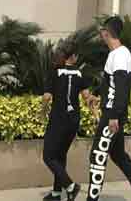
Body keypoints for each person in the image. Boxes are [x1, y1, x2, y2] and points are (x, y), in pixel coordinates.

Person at [86, 16, 131, 201]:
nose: (100, 35)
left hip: (112, 114)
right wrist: (96, 94)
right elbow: (111, 84)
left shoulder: (121, 55)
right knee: (118, 155)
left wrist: (114, 116)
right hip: (112, 112)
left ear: (106, 33)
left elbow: (122, 87)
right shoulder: (115, 55)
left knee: (97, 156)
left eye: (102, 31)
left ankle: (92, 199)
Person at [42, 40, 91, 201]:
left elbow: (47, 97)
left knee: (48, 157)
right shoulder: (80, 73)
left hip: (58, 119)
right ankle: (56, 194)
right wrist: (95, 104)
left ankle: (70, 186)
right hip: (73, 120)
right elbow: (86, 97)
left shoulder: (55, 72)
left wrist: (42, 111)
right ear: (74, 57)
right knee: (60, 155)